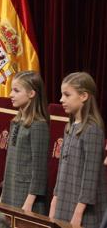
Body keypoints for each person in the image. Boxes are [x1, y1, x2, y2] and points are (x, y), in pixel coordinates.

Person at [49, 72, 107, 228]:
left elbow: (91, 176)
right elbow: (62, 168)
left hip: (83, 209)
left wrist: (78, 212)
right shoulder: (70, 127)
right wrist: (55, 199)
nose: (61, 99)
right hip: (65, 201)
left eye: (67, 95)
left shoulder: (92, 130)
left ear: (83, 96)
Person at [1, 71, 50, 214]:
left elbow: (39, 168)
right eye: (11, 90)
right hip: (11, 189)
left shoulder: (38, 124)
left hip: (26, 196)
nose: (10, 94)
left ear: (31, 94)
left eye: (16, 90)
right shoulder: (16, 122)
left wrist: (29, 200)